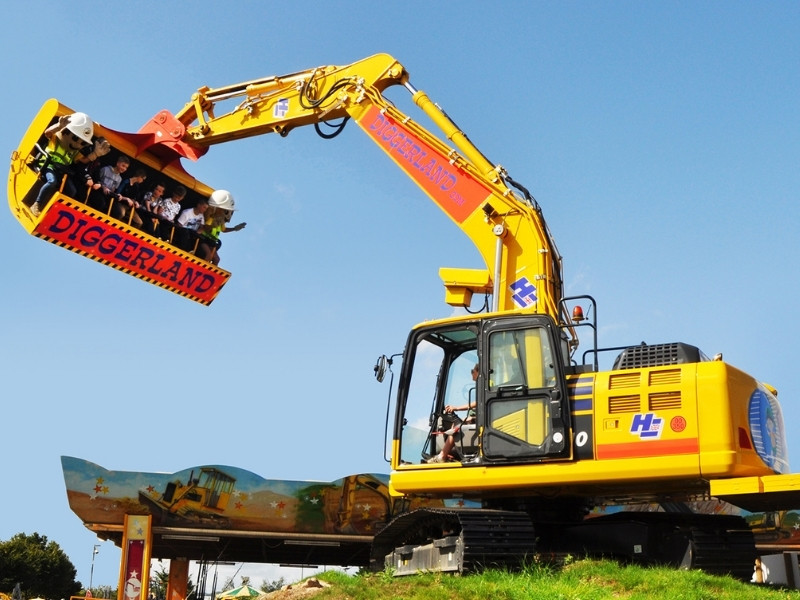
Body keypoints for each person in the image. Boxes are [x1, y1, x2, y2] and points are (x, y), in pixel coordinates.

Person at [29, 112, 94, 216]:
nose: (77, 144)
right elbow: (48, 133)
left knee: (72, 191)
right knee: (52, 181)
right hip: (48, 165)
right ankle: (36, 204)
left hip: (61, 171)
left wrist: (95, 154)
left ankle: (56, 211)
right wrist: (58, 126)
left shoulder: (75, 151)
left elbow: (84, 160)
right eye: (75, 138)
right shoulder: (56, 139)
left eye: (82, 143)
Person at [427, 363, 479, 463]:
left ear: (479, 372)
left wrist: (457, 409)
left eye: (473, 371)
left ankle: (442, 456)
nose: (472, 374)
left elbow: (478, 404)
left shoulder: (486, 386)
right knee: (455, 425)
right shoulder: (483, 387)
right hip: (480, 418)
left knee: (456, 428)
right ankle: (449, 453)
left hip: (482, 421)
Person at [197, 190, 246, 265]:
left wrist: (234, 228)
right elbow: (205, 227)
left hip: (212, 242)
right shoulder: (211, 219)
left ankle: (210, 274)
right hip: (203, 239)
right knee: (208, 255)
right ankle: (201, 270)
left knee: (217, 259)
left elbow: (224, 229)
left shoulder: (220, 221)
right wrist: (214, 224)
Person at [88, 154, 131, 219]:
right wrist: (103, 187)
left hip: (108, 196)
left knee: (119, 212)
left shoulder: (119, 179)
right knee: (101, 203)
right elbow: (97, 180)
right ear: (117, 163)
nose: (124, 169)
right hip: (98, 192)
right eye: (123, 166)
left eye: (126, 167)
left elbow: (114, 190)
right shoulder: (105, 169)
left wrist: (119, 196)